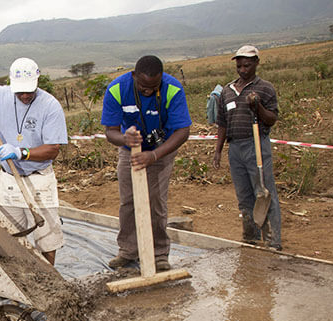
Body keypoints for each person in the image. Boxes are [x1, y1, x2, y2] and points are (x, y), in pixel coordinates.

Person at [0, 57, 68, 265]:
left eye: (29, 90)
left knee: (47, 238)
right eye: (20, 91)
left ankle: (50, 282)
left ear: (37, 82)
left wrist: (21, 153)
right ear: (11, 84)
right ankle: (21, 279)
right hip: (9, 179)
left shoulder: (50, 106)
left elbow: (53, 150)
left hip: (39, 179)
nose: (25, 95)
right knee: (8, 235)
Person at [100, 55, 192, 271]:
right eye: (143, 86)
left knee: (155, 202)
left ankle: (159, 253)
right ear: (134, 76)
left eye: (154, 87)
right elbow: (110, 131)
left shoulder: (172, 89)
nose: (148, 91)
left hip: (162, 150)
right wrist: (125, 139)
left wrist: (154, 156)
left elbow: (183, 131)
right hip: (129, 151)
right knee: (128, 202)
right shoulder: (116, 89)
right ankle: (128, 251)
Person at [213, 45, 282, 250]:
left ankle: (272, 240)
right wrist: (218, 150)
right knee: (244, 195)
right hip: (235, 148)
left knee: (264, 191)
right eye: (240, 66)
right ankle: (250, 236)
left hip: (256, 144)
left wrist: (257, 106)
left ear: (256, 63)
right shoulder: (227, 91)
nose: (243, 70)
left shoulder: (265, 88)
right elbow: (222, 123)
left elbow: (271, 120)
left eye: (247, 65)